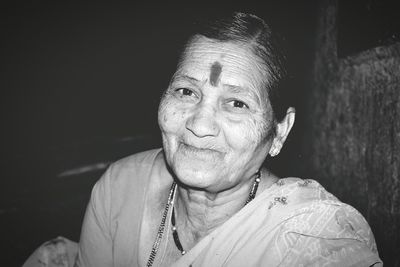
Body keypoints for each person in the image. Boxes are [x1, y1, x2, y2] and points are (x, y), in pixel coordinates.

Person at [24, 11, 382, 267]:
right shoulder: (119, 188)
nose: (199, 124)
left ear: (279, 131)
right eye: (185, 91)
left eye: (236, 103)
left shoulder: (311, 238)